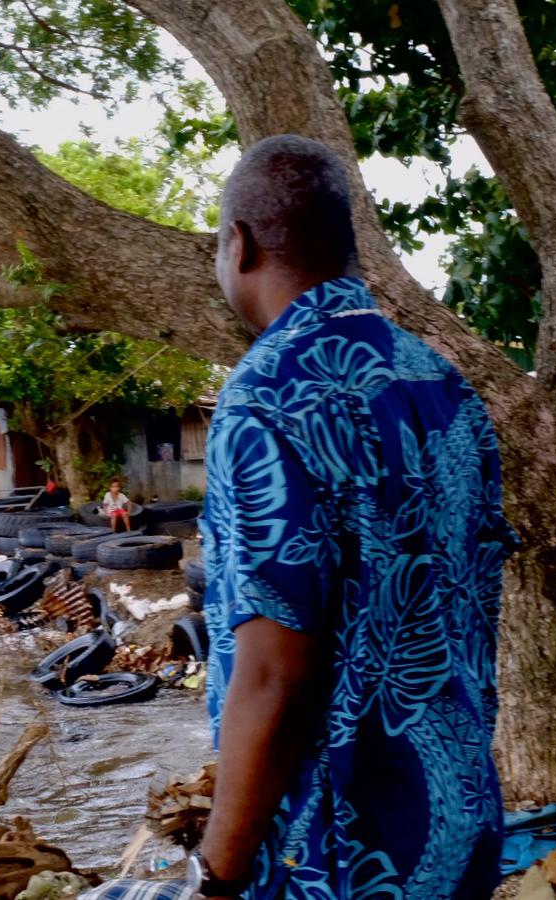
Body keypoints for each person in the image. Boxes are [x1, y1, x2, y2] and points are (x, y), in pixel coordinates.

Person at [83, 135, 514, 900]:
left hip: (343, 852)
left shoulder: (265, 397)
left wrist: (217, 871)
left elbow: (275, 674)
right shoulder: (441, 382)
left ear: (238, 244)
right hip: (461, 822)